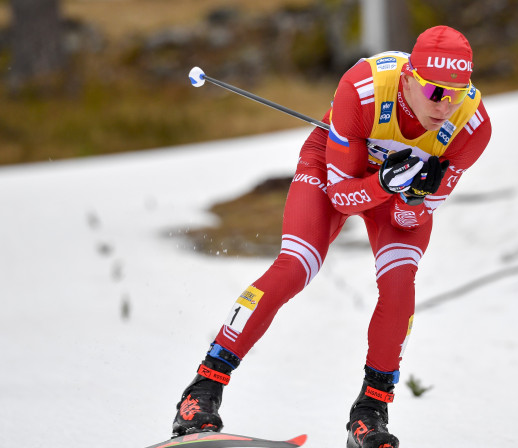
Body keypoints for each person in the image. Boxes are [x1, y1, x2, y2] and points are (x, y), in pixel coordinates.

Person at [172, 25, 492, 448]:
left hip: (389, 189)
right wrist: (385, 182)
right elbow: (342, 197)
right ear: (411, 79)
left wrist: (413, 195)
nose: (445, 106)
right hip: (333, 166)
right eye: (435, 92)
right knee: (295, 267)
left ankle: (369, 413)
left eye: (456, 92)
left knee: (399, 287)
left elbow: (409, 220)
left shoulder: (472, 127)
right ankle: (201, 392)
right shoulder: (362, 88)